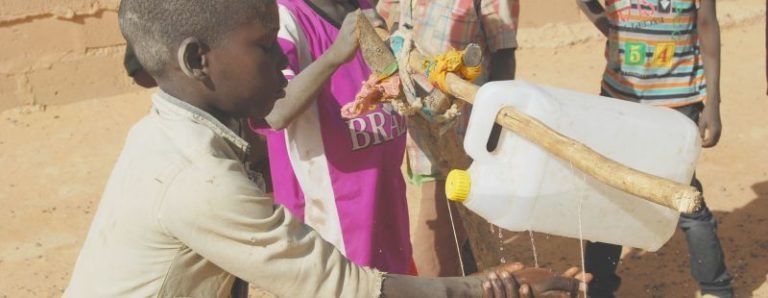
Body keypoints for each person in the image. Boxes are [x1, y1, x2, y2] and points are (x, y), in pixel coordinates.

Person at [64, 0, 587, 297]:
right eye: (266, 50)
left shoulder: (178, 133)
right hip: (332, 206)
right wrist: (484, 290)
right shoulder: (200, 180)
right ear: (198, 60)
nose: (279, 64)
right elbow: (346, 288)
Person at [575, 0, 732, 297]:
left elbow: (708, 24)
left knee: (684, 197)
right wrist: (611, 28)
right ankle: (599, 288)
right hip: (619, 98)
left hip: (678, 103)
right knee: (610, 192)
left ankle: (717, 288)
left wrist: (713, 103)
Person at [246, 0, 413, 274]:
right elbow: (275, 111)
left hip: (388, 214)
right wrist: (335, 55)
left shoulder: (366, 8)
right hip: (330, 230)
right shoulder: (285, 18)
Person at [376, 0, 519, 277]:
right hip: (413, 121)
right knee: (446, 229)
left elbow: (504, 58)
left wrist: (493, 132)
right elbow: (381, 22)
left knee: (444, 231)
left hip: (462, 128)